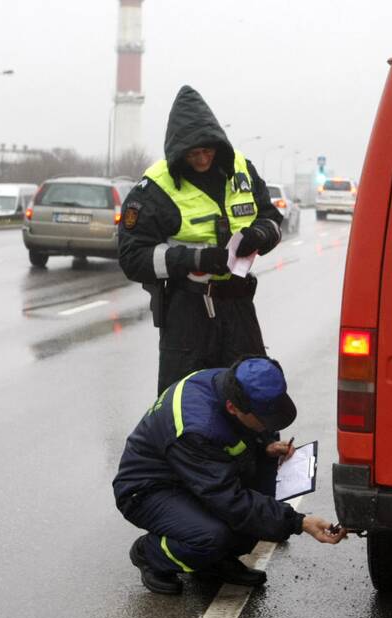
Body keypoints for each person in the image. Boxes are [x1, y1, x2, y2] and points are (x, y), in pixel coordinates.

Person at [112, 356, 346, 595]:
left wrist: (264, 445)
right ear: (233, 408)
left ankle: (213, 563)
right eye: (263, 420)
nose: (269, 426)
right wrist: (299, 522)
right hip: (147, 490)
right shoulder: (197, 427)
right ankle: (151, 553)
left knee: (257, 521)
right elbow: (230, 501)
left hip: (195, 476)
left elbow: (233, 440)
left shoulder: (234, 382)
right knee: (213, 536)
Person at [118, 85, 285, 396]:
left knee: (252, 396)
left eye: (208, 151)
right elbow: (132, 256)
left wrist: (260, 234)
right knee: (185, 402)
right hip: (188, 312)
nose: (202, 159)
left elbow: (272, 219)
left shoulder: (241, 169)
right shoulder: (155, 187)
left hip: (238, 306)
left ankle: (258, 448)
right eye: (193, 154)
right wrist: (194, 260)